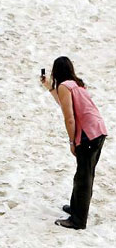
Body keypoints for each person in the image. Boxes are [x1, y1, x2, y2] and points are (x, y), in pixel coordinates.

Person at [41, 56, 107, 229]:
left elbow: (69, 118)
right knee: (83, 174)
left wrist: (72, 141)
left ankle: (78, 220)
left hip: (88, 135)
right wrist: (49, 87)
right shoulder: (76, 84)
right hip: (98, 130)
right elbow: (64, 103)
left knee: (84, 177)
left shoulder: (64, 86)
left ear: (56, 71)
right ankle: (76, 208)